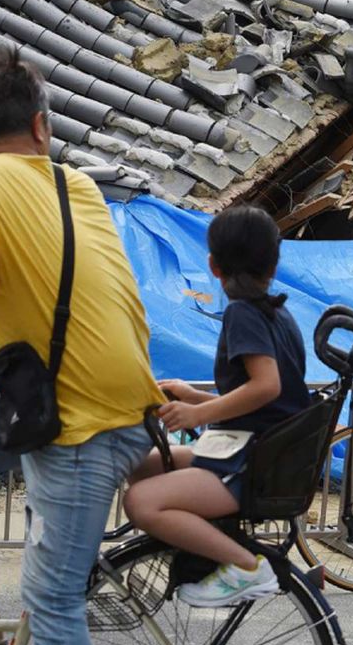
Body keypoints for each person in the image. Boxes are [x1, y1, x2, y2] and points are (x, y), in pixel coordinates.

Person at [0, 48, 166, 645]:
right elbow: (45, 296)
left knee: (51, 603)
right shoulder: (78, 185)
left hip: (76, 414)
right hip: (99, 391)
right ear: (43, 126)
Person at [123, 205, 311, 607]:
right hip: (257, 453)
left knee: (140, 501)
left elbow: (266, 386)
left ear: (212, 264)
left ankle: (245, 565)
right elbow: (266, 401)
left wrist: (197, 414)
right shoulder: (279, 313)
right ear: (273, 264)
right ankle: (197, 550)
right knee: (137, 464)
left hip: (250, 463)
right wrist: (196, 398)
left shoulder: (243, 313)